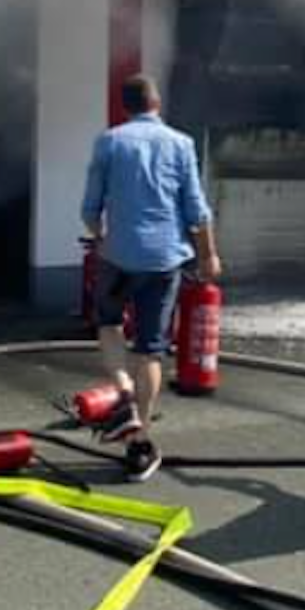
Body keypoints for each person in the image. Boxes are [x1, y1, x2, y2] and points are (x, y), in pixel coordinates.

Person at [81, 74, 223, 482]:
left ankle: (122, 390)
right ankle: (139, 440)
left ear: (126, 107)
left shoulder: (108, 142)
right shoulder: (181, 144)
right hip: (163, 263)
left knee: (108, 324)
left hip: (117, 258)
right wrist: (209, 255)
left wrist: (103, 238)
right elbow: (196, 210)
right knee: (150, 348)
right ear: (156, 102)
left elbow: (90, 209)